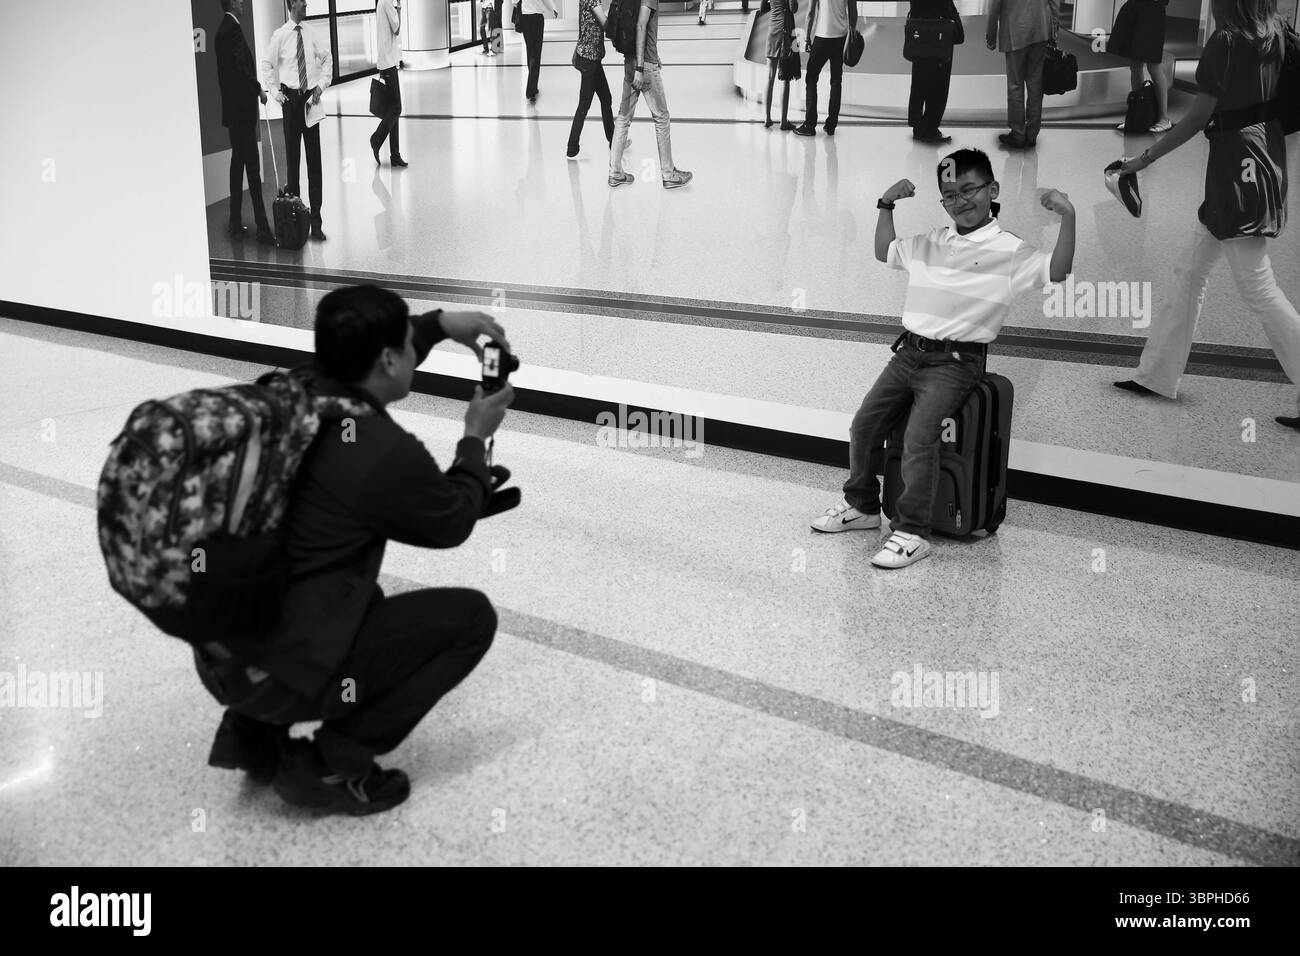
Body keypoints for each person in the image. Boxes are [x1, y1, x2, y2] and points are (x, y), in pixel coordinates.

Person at [197, 285, 517, 814]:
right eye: (408, 345)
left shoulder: (294, 389)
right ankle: (331, 765)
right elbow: (452, 522)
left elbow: (388, 350)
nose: (415, 350)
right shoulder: (377, 450)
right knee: (470, 621)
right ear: (389, 359)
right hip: (275, 672)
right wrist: (474, 440)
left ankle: (252, 734)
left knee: (346, 594)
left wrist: (441, 324)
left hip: (221, 656)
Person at [810, 148, 1075, 567]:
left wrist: (1069, 217)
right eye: (950, 195)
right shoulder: (934, 240)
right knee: (864, 425)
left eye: (969, 190)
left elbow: (1057, 270)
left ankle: (913, 532)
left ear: (993, 190)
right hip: (909, 353)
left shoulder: (1010, 250)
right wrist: (885, 204)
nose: (960, 201)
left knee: (919, 439)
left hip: (955, 362)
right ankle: (862, 507)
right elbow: (885, 251)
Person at [1114, 0, 1300, 433]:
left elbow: (1198, 117)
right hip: (1260, 155)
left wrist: (1143, 158)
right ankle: (1156, 375)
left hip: (1236, 168)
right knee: (1190, 273)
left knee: (1258, 286)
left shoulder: (1227, 40)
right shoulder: (1275, 31)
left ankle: (1156, 375)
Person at [261, 0, 333, 240]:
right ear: (292, 4)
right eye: (302, 2)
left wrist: (321, 86)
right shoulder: (280, 35)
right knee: (293, 165)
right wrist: (274, 92)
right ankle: (296, 221)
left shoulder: (311, 33)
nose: (306, 5)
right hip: (291, 103)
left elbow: (327, 58)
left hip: (310, 101)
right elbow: (267, 64)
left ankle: (316, 221)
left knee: (315, 164)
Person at [608, 0, 693, 189]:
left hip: (631, 60)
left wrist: (653, 55)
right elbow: (640, 25)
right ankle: (669, 174)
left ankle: (615, 173)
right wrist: (641, 67)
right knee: (662, 117)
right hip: (643, 66)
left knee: (623, 117)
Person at [215, 0, 274, 245]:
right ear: (232, 3)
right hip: (242, 114)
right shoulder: (233, 30)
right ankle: (262, 228)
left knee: (237, 165)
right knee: (252, 169)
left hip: (233, 113)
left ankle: (235, 221)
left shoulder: (222, 30)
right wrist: (258, 89)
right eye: (239, 0)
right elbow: (241, 69)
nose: (242, 2)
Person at [986, 0, 1060, 149]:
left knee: (1015, 84)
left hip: (1014, 30)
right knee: (1036, 83)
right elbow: (1054, 2)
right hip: (1040, 28)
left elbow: (994, 6)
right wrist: (1054, 29)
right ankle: (1032, 134)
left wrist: (991, 35)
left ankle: (1018, 134)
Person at [792, 0, 855, 137]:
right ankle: (831, 125)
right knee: (836, 81)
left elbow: (810, 12)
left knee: (811, 78)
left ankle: (809, 125)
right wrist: (852, 35)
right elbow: (853, 11)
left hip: (822, 36)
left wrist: (807, 38)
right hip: (841, 37)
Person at [1110, 0, 1173, 134]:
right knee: (1135, 65)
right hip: (1134, 8)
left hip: (1152, 11)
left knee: (1153, 66)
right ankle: (1137, 113)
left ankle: (1163, 118)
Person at [906, 0, 962, 144]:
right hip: (939, 40)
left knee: (919, 84)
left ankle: (918, 127)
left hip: (920, 38)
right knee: (938, 87)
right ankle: (930, 128)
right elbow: (957, 34)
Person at [568, 0, 616, 158]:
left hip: (591, 57)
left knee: (606, 98)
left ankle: (613, 140)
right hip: (590, 59)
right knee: (584, 104)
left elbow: (585, 25)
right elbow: (605, 24)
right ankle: (572, 148)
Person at [371, 0, 408, 167]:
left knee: (393, 109)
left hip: (385, 61)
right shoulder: (387, 2)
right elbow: (397, 29)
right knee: (396, 108)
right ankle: (376, 138)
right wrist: (399, 8)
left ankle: (395, 154)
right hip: (388, 63)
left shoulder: (381, 2)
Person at [513, 0, 559, 104]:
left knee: (530, 52)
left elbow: (514, 2)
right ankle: (531, 90)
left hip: (525, 17)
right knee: (536, 53)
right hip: (537, 18)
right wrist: (553, 9)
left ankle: (533, 87)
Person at [765, 0, 797, 130]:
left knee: (770, 77)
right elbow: (793, 8)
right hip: (785, 33)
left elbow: (763, 6)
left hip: (772, 29)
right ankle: (783, 121)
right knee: (786, 78)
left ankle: (767, 118)